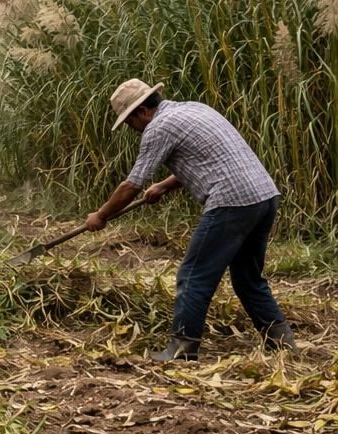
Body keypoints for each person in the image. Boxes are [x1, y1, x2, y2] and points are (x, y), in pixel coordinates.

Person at [84, 78, 293, 361]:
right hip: (264, 197)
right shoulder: (194, 109)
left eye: (130, 123)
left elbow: (131, 185)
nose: (133, 130)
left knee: (193, 276)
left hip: (231, 203)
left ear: (141, 112)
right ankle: (281, 344)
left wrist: (101, 215)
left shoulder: (158, 127)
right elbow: (210, 158)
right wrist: (165, 185)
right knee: (248, 278)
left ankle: (182, 349)